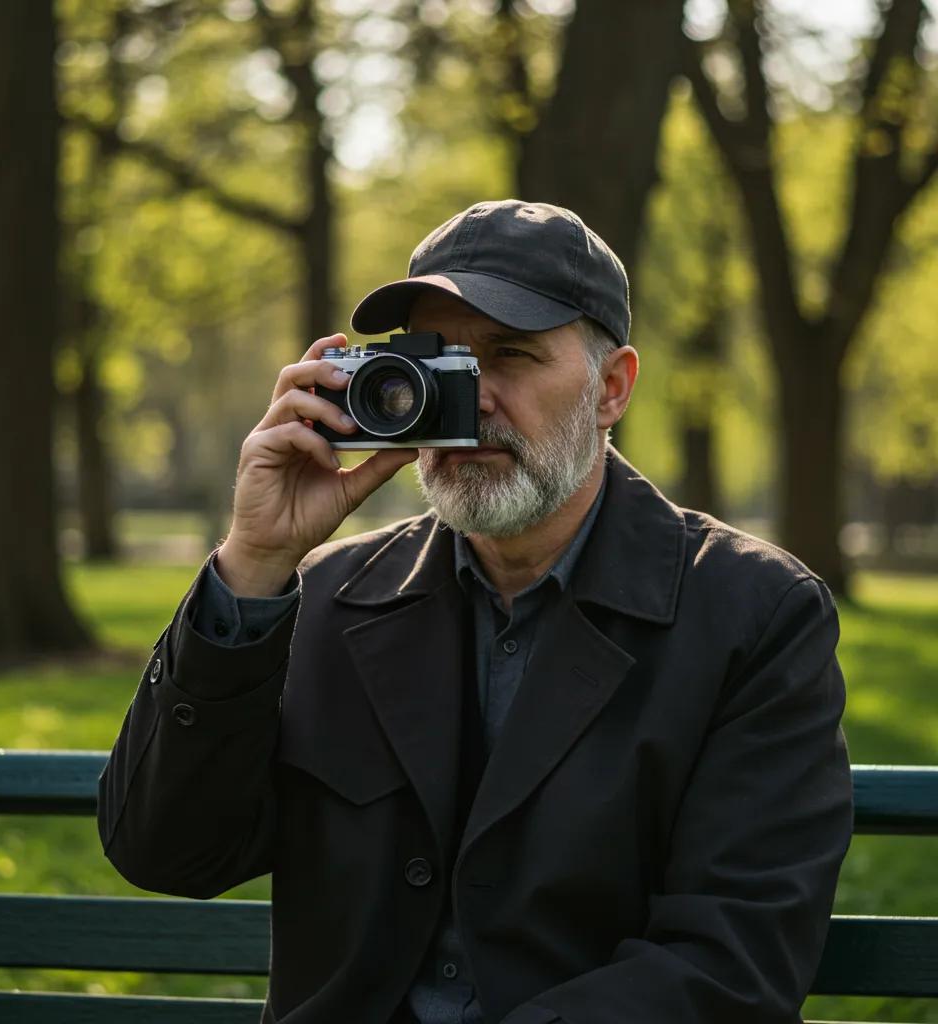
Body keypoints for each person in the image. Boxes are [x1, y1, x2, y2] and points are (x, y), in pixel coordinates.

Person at [98, 200, 853, 1024]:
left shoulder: (754, 615)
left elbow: (731, 963)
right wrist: (253, 565)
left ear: (611, 389)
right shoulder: (325, 596)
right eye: (438, 361)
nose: (472, 398)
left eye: (510, 355)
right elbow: (167, 851)